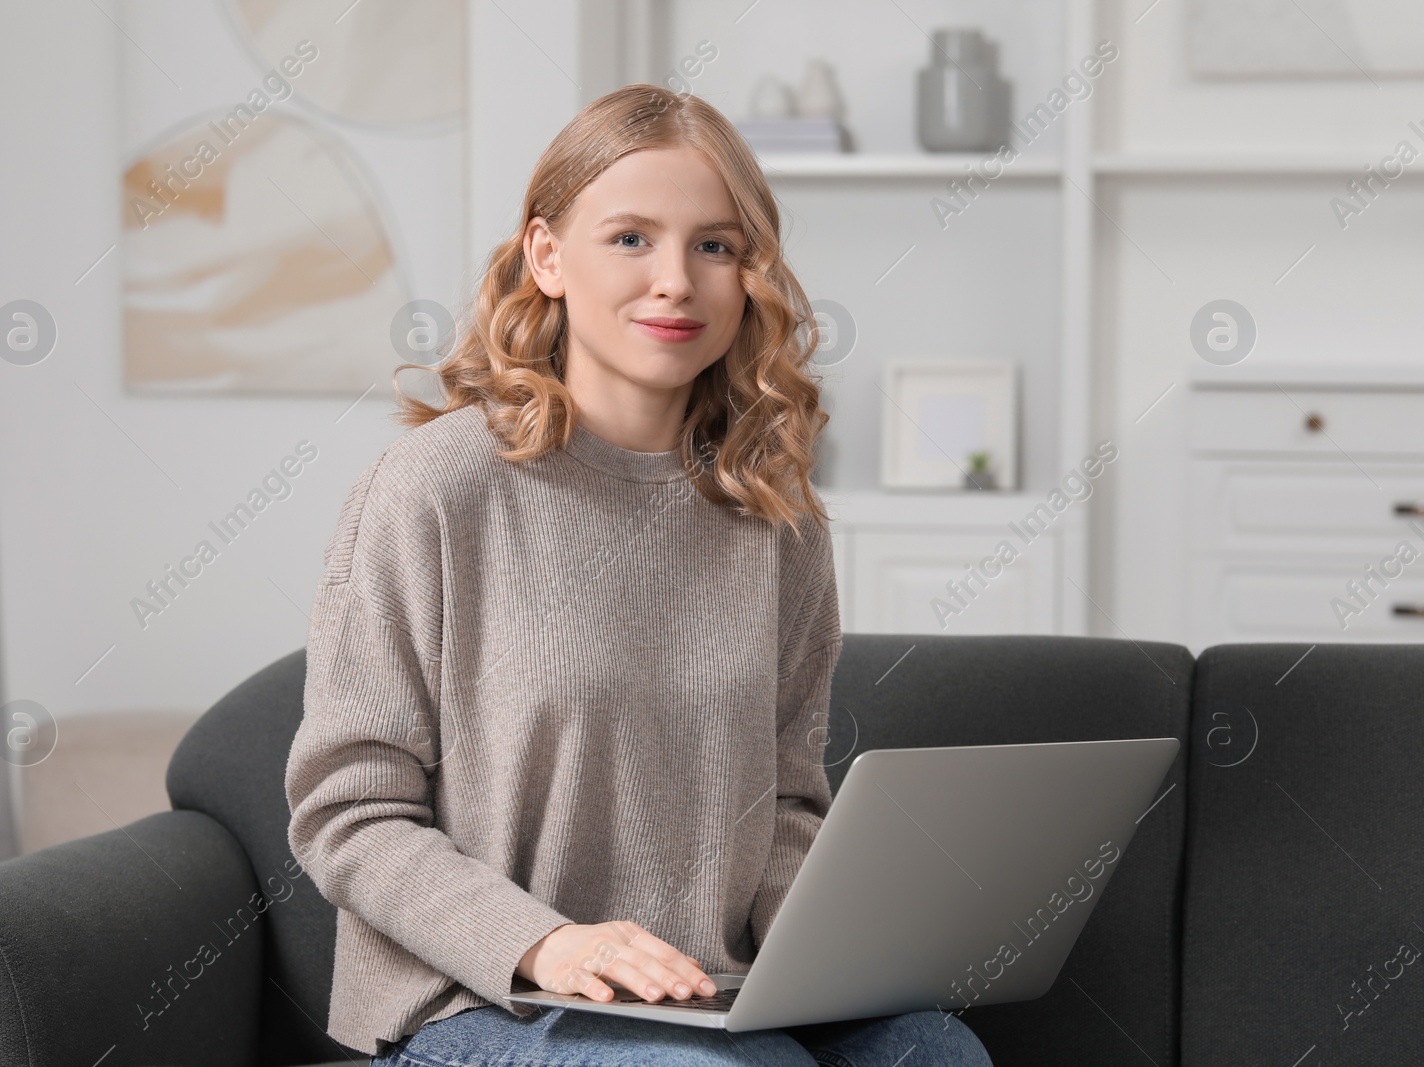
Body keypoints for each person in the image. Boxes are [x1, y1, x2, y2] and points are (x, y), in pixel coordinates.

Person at [284, 83, 993, 1067]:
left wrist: (852, 944)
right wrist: (547, 942)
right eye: (629, 238)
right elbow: (348, 815)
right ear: (547, 257)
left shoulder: (775, 516)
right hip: (486, 1000)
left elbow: (785, 804)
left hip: (706, 990)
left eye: (714, 245)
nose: (676, 281)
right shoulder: (433, 489)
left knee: (934, 1050)